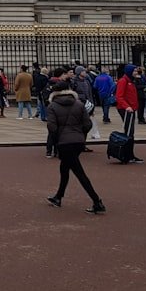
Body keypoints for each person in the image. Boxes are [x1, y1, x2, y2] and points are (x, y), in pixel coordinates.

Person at [45, 82, 105, 214]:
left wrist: (57, 141)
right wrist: (80, 135)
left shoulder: (52, 106)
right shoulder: (78, 104)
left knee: (79, 173)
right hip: (78, 141)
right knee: (64, 169)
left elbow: (52, 127)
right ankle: (58, 197)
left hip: (64, 143)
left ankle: (97, 201)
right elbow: (87, 124)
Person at [115, 64, 145, 163]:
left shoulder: (131, 81)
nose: (136, 72)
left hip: (131, 109)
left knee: (130, 132)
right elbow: (119, 96)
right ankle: (127, 154)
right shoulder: (123, 81)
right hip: (126, 109)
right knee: (129, 132)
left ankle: (129, 154)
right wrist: (127, 106)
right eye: (134, 71)